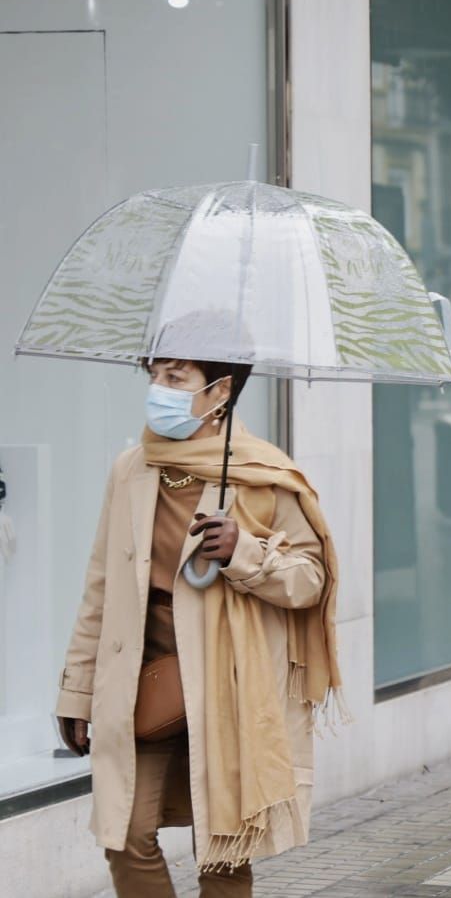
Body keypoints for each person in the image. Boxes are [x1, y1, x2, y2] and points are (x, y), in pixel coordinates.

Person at [54, 354, 345, 897]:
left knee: (223, 851)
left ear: (220, 392)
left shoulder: (264, 474)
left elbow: (311, 581)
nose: (158, 389)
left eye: (175, 377)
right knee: (125, 835)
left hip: (228, 683)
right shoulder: (132, 468)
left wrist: (245, 552)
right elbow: (101, 586)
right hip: (144, 682)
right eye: (154, 376)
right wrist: (77, 691)